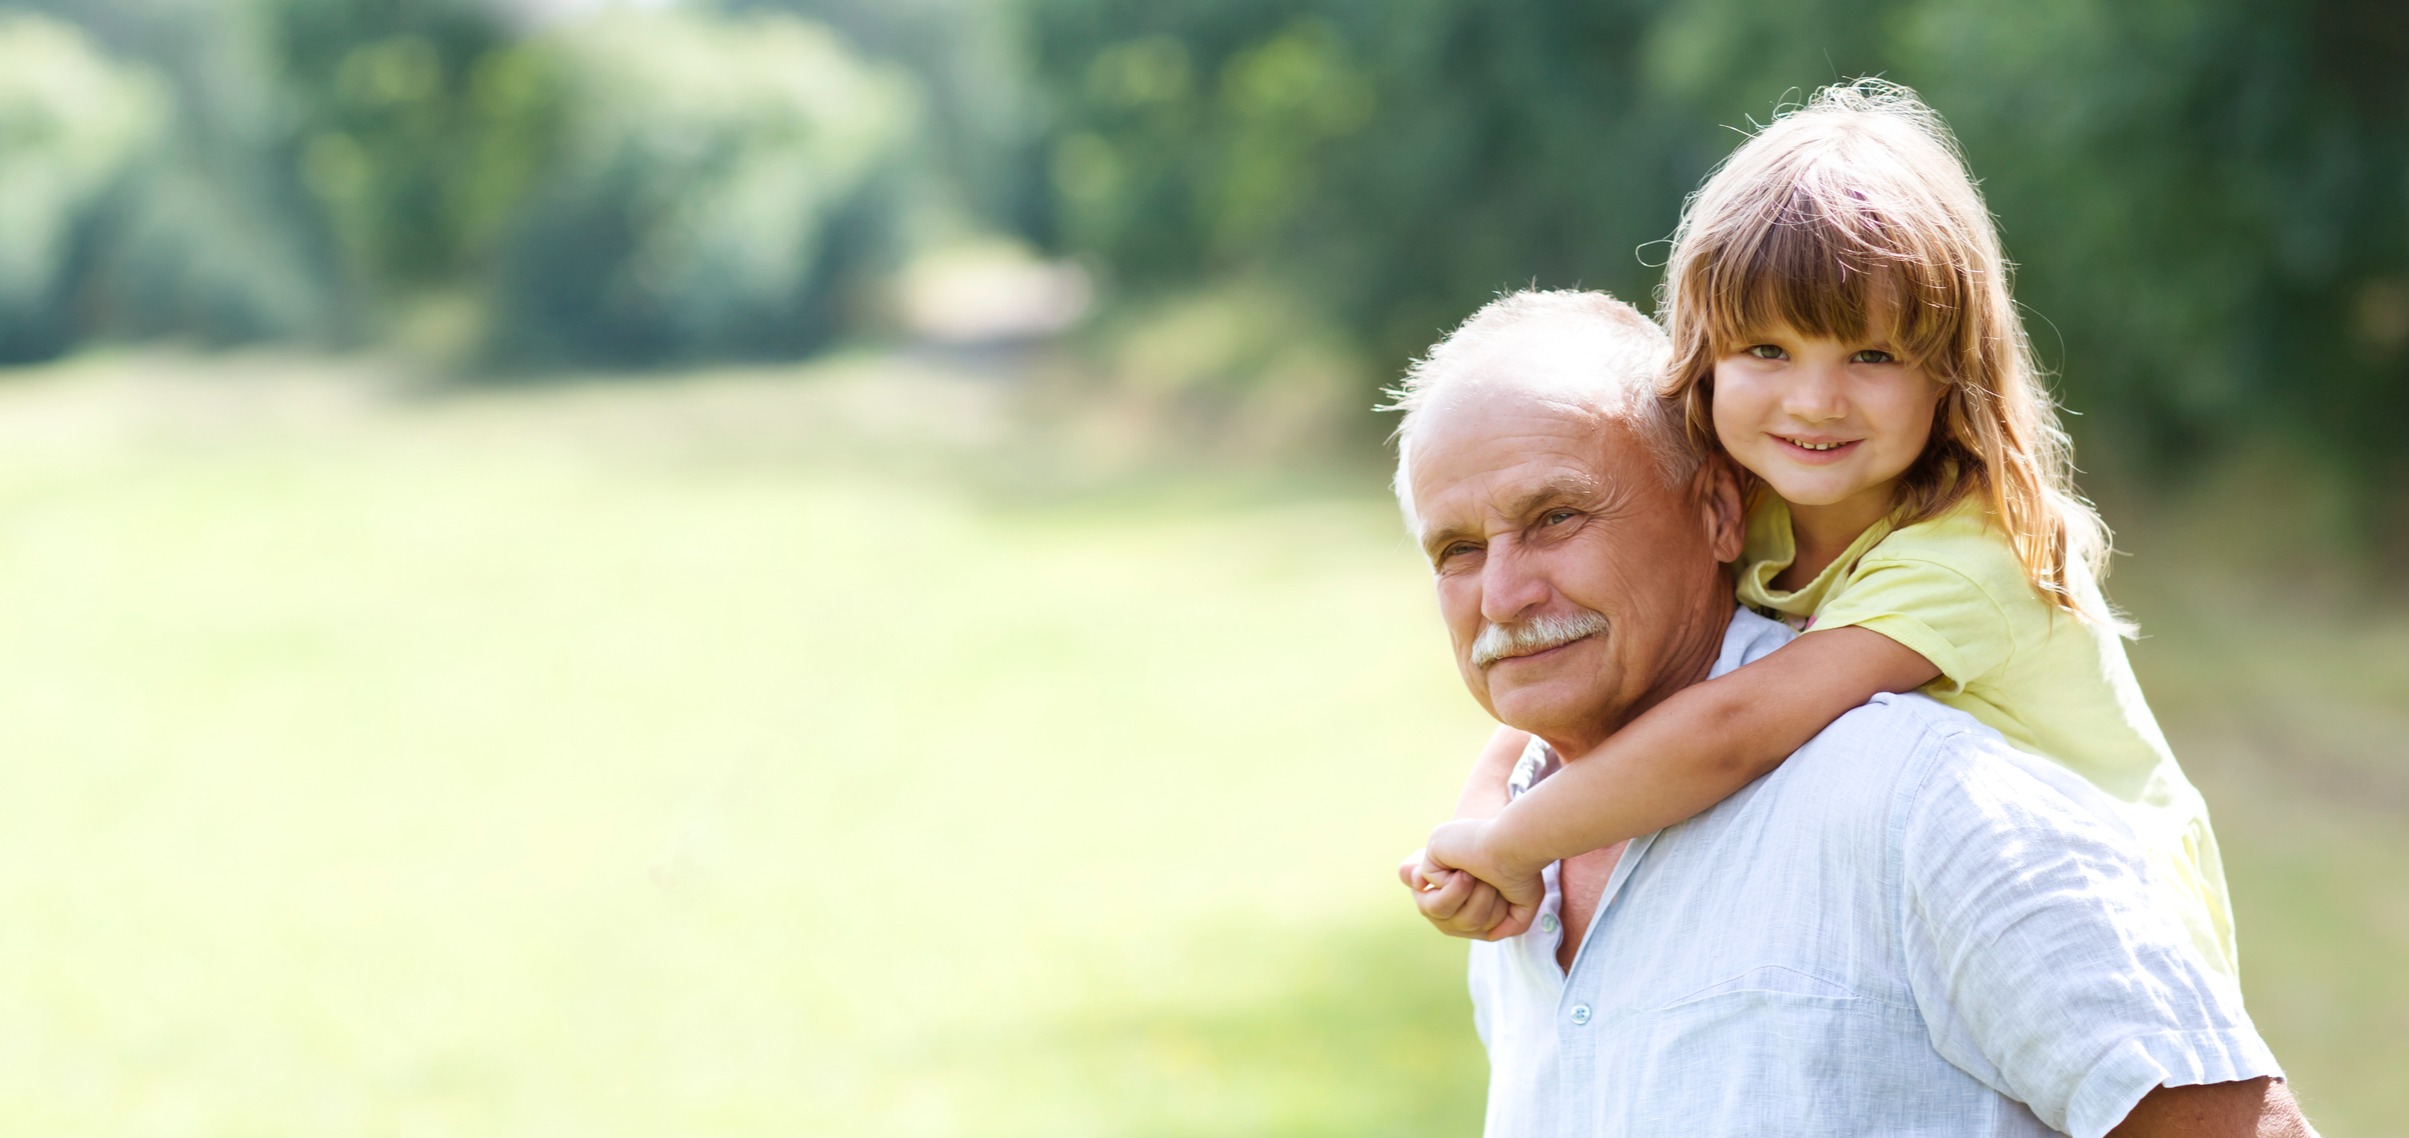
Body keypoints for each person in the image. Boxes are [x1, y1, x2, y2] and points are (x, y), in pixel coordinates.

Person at [1388, 289, 2308, 1136]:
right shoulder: (1513, 877)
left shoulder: (1922, 797)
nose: (1503, 593)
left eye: (1556, 517)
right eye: (1458, 549)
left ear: (1719, 513)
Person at [1414, 81, 2237, 982]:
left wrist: (1512, 844)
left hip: (2101, 942)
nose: (1814, 401)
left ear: (1948, 376)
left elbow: (1734, 726)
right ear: (1705, 358)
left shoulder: (1964, 555)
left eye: (1872, 356)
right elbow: (1558, 650)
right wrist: (1483, 811)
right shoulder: (1760, 503)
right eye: (1766, 351)